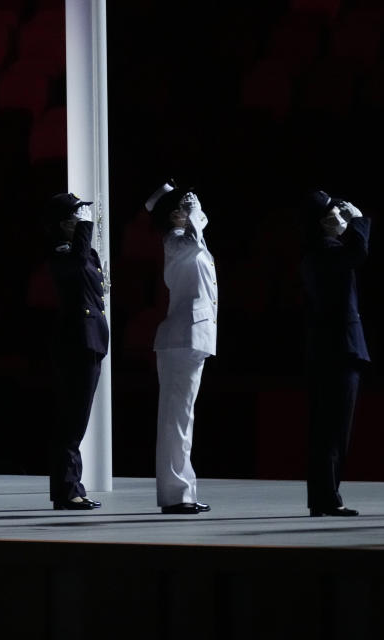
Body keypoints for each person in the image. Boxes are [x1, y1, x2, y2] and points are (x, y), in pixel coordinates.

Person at [145, 180, 215, 515]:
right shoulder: (174, 241)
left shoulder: (185, 239)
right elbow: (193, 242)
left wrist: (195, 214)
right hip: (180, 339)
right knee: (175, 421)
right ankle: (175, 495)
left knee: (183, 420)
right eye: (182, 209)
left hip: (192, 337)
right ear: (173, 215)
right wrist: (195, 213)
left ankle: (184, 491)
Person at [301, 190, 370, 517]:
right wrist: (357, 221)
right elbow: (358, 253)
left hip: (329, 349)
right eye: (333, 213)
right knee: (333, 429)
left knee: (325, 428)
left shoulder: (320, 250)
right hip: (339, 349)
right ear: (322, 221)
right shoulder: (326, 250)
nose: (339, 217)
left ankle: (322, 497)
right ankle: (328, 497)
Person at [46, 193, 109, 510]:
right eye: (76, 218)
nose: (84, 223)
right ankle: (67, 489)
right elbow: (77, 262)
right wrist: (84, 228)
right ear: (64, 224)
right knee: (71, 422)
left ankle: (71, 487)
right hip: (77, 342)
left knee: (75, 421)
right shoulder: (62, 252)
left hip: (91, 340)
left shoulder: (87, 253)